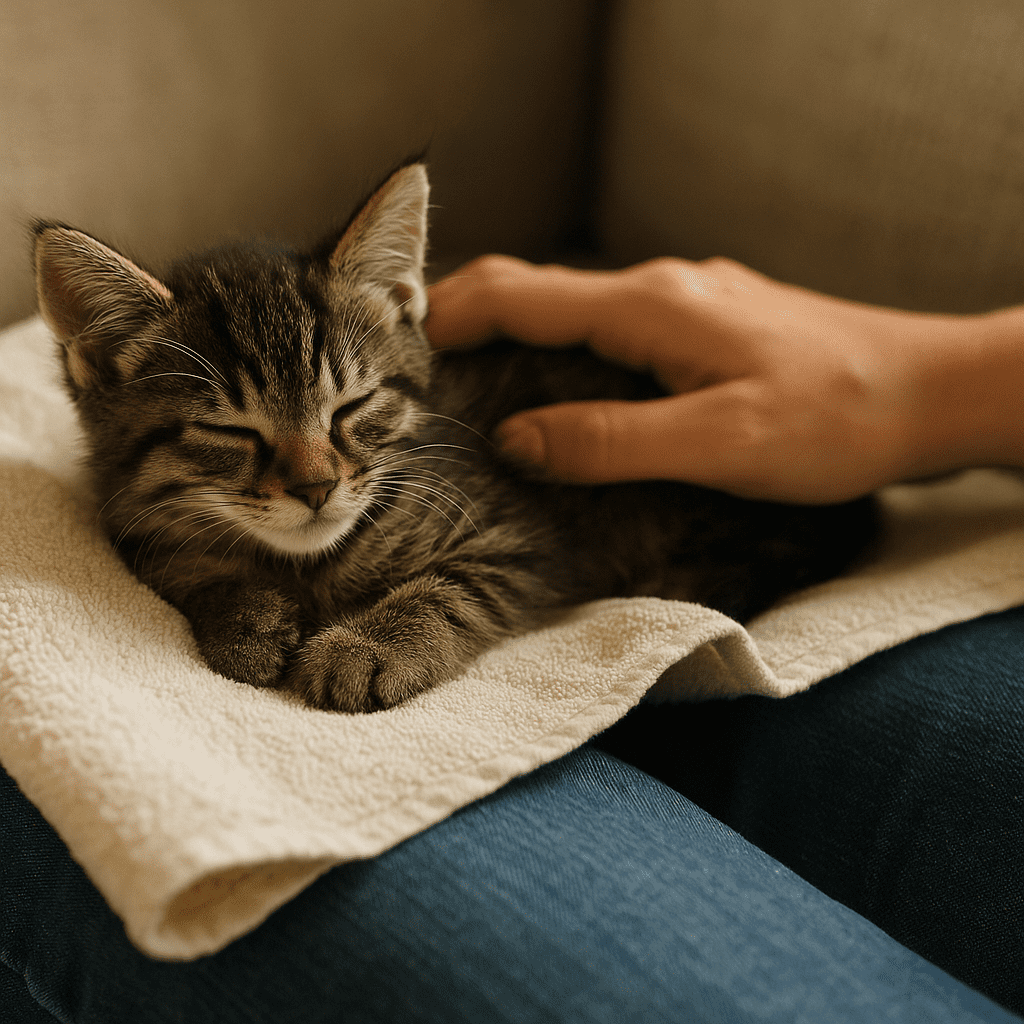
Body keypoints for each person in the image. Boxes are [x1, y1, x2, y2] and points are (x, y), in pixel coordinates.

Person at [3, 257, 1022, 1022]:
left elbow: (507, 558)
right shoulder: (159, 525)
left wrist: (411, 621)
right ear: (99, 366)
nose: (315, 478)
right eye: (234, 437)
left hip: (719, 512)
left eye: (354, 415)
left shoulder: (414, 489)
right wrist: (225, 599)